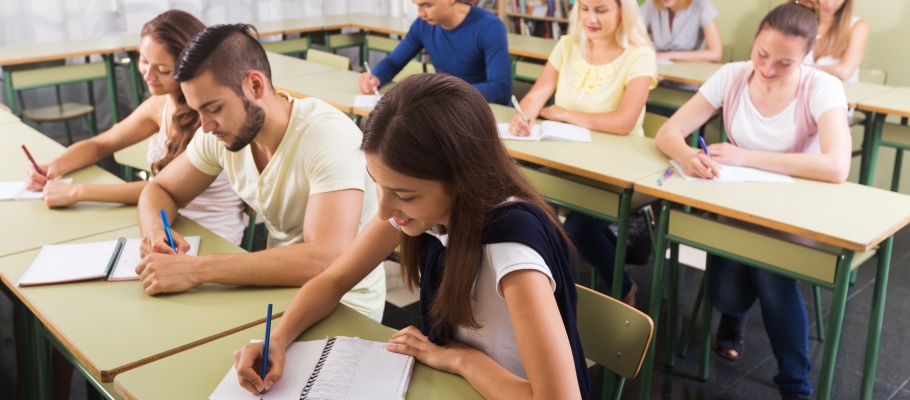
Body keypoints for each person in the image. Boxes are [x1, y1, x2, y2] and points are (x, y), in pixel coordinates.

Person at [232, 74, 591, 399]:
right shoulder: (420, 209)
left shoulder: (511, 251)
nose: (384, 210)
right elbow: (333, 280)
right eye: (377, 184)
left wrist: (460, 360)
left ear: (461, 180)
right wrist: (276, 340)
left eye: (404, 195)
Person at [654, 4, 850, 399]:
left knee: (772, 274)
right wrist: (688, 156)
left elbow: (836, 166)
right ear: (755, 39)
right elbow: (669, 131)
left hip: (791, 214)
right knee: (728, 294)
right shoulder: (732, 76)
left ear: (806, 56)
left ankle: (796, 386)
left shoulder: (822, 87)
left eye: (785, 63)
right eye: (762, 54)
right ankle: (735, 316)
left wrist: (745, 156)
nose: (768, 68)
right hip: (736, 206)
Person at [134, 24, 386, 322]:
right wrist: (155, 230)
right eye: (198, 111)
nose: (204, 126)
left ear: (255, 86)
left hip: (345, 305)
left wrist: (196, 269)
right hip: (273, 291)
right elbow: (159, 190)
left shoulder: (326, 136)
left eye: (213, 108)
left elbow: (325, 259)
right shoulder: (221, 133)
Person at [22, 11, 246, 246]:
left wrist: (77, 192)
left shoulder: (207, 119)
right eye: (144, 61)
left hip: (212, 235)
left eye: (163, 70)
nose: (149, 75)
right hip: (162, 221)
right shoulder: (160, 103)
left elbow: (165, 189)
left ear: (190, 67)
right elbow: (102, 144)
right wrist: (51, 169)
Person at [509, 0, 657, 307]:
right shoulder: (568, 45)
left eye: (601, 10)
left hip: (618, 170)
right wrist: (524, 115)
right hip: (567, 162)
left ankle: (624, 287)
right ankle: (536, 289)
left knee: (576, 229)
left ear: (622, 11)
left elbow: (623, 122)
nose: (590, 18)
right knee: (518, 204)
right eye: (585, 8)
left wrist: (564, 114)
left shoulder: (640, 56)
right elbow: (539, 92)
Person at [358, 0, 511, 105]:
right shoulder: (423, 24)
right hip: (447, 105)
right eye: (416, 5)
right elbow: (394, 62)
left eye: (427, 5)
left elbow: (501, 88)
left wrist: (444, 93)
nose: (420, 14)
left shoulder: (490, 26)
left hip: (485, 109)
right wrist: (375, 77)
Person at [791, 0, 869, 82]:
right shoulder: (797, 23)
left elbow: (845, 72)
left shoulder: (858, 26)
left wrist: (802, 69)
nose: (829, 3)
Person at [640, 0, 723, 64]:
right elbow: (630, 36)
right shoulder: (651, 5)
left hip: (689, 81)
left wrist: (669, 55)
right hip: (657, 78)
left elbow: (716, 54)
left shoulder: (702, 5)